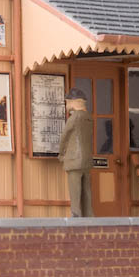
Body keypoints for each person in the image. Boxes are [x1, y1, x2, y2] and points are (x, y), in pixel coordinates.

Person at [58, 88, 94, 217]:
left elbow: (65, 137)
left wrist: (61, 153)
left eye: (67, 102)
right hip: (86, 159)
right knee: (86, 191)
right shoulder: (88, 117)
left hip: (74, 159)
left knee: (75, 190)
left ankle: (76, 215)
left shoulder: (74, 118)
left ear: (73, 102)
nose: (67, 105)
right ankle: (89, 215)